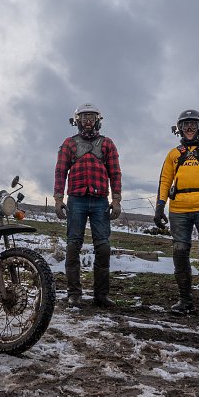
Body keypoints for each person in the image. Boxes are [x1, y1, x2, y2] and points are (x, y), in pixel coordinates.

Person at [154, 109, 199, 323]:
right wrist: (160, 206)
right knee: (179, 252)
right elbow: (164, 180)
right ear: (178, 129)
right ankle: (185, 300)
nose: (188, 128)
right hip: (179, 209)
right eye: (185, 125)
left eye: (193, 124)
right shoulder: (173, 154)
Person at [53, 103, 122, 308]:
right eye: (84, 117)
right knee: (73, 246)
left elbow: (115, 173)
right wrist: (58, 199)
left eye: (91, 117)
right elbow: (60, 172)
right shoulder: (69, 144)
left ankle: (101, 295)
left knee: (103, 247)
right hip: (76, 200)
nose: (88, 121)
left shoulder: (107, 144)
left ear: (98, 120)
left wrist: (116, 199)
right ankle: (74, 293)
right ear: (77, 121)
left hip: (100, 201)